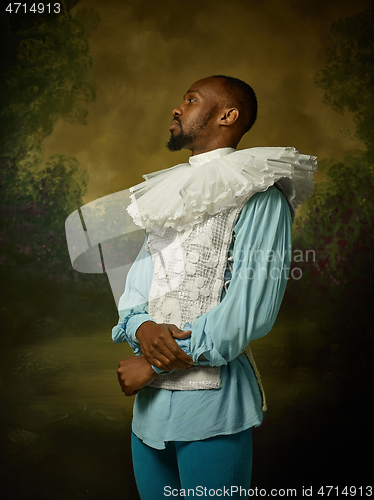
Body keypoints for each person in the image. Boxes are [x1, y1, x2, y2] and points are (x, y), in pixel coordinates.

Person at [113, 75, 317, 499]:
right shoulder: (171, 193)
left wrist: (150, 365)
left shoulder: (262, 196)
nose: (177, 108)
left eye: (190, 100)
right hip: (148, 416)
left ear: (227, 115)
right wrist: (140, 327)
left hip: (213, 412)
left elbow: (249, 311)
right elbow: (137, 290)